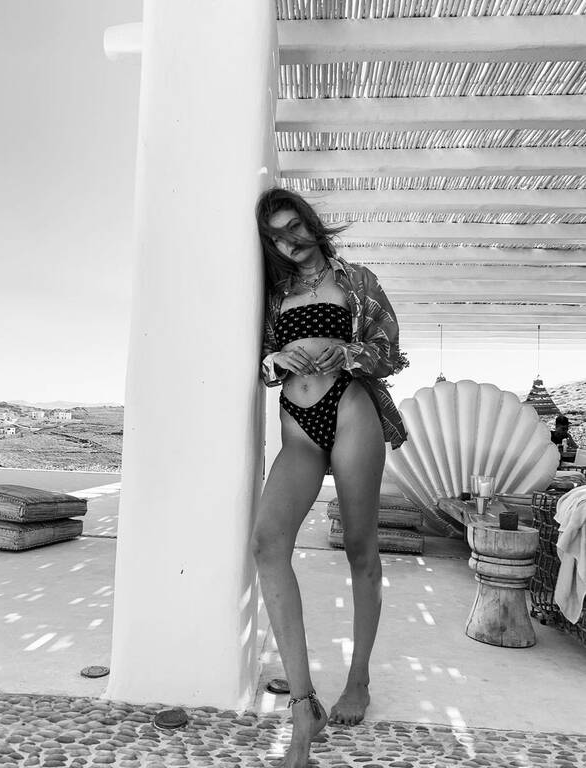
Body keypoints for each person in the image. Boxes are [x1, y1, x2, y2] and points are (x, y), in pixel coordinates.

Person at [251, 187, 407, 768]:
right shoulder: (274, 296)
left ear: (312, 224)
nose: (289, 242)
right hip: (297, 425)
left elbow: (390, 350)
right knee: (268, 544)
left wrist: (349, 353)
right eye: (276, 236)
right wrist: (274, 361)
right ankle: (303, 707)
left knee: (361, 549)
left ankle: (358, 679)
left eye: (295, 227)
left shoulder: (356, 280)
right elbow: (259, 358)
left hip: (349, 410)